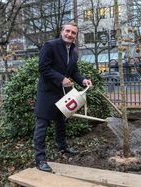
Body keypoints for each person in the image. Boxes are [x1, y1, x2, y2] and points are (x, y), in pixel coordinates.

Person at [33, 22, 92, 172]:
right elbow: (43, 68)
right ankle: (40, 159)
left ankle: (63, 147)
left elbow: (74, 71)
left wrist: (83, 80)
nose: (70, 34)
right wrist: (61, 79)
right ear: (62, 31)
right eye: (67, 31)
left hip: (62, 93)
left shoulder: (73, 51)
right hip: (47, 92)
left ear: (76, 36)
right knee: (42, 125)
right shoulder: (50, 45)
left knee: (61, 121)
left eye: (73, 33)